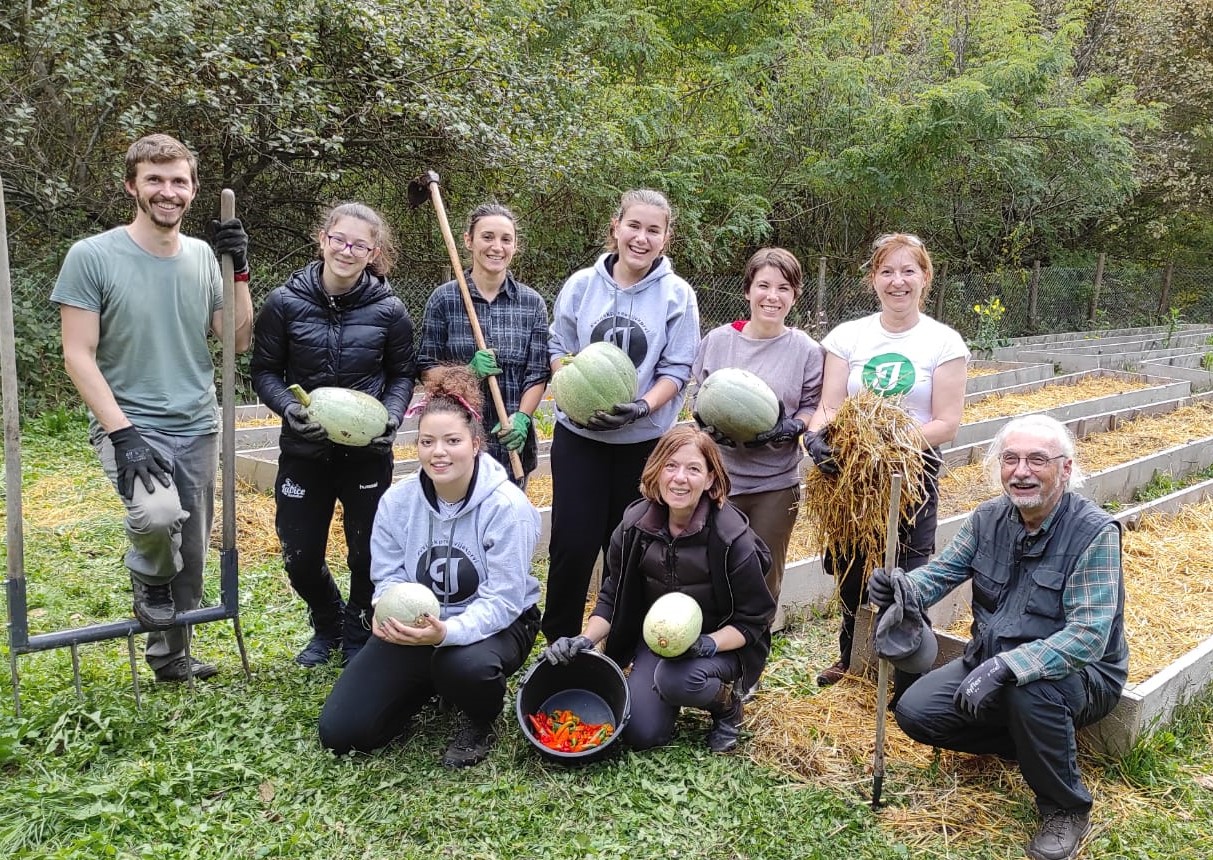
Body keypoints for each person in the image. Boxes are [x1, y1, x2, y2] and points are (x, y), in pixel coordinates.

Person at [868, 414, 1126, 860]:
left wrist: (1009, 667)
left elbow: (1087, 638)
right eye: (1011, 459)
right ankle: (1034, 745)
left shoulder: (1093, 533)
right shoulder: (987, 518)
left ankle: (1065, 806)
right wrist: (901, 587)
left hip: (1076, 676)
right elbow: (942, 573)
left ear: (1065, 469)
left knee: (1031, 695)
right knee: (915, 713)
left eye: (1037, 460)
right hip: (989, 657)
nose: (1021, 471)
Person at [51, 133, 253, 682]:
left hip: (197, 421)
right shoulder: (92, 256)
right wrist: (123, 433)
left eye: (179, 181)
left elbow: (233, 340)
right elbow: (78, 354)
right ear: (132, 186)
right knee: (156, 514)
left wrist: (238, 272)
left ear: (192, 189)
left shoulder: (202, 260)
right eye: (155, 180)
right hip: (131, 422)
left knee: (190, 550)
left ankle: (171, 655)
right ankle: (147, 578)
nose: (168, 192)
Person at [318, 367, 542, 768]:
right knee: (343, 733)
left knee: (465, 666)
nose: (439, 452)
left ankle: (479, 718)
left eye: (452, 440)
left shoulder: (508, 507)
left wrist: (448, 633)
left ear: (476, 444)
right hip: (417, 626)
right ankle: (428, 684)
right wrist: (394, 613)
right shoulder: (396, 502)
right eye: (427, 441)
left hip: (499, 625)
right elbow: (386, 576)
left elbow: (504, 598)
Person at [250, 202, 416, 667]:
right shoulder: (284, 303)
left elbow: (403, 374)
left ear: (373, 252)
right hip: (304, 450)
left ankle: (357, 628)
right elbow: (263, 371)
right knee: (298, 556)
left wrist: (392, 415)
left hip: (366, 453)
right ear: (322, 239)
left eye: (359, 244)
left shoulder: (390, 310)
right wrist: (287, 406)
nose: (348, 250)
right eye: (339, 239)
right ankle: (326, 620)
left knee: (366, 554)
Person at [543, 426, 775, 754]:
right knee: (641, 733)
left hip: (721, 645)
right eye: (671, 466)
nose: (680, 478)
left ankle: (727, 708)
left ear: (710, 479)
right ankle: (667, 692)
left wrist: (708, 643)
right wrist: (585, 639)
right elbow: (612, 595)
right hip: (661, 640)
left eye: (693, 469)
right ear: (657, 470)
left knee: (677, 680)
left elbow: (754, 620)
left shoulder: (732, 540)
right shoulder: (633, 526)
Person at [806, 232, 968, 688]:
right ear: (873, 279)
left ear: (925, 278)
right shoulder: (848, 336)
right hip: (851, 474)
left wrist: (886, 449)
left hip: (910, 471)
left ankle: (907, 671)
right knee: (850, 565)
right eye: (887, 272)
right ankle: (850, 655)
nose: (897, 281)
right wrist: (815, 438)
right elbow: (830, 406)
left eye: (907, 271)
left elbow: (946, 422)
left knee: (909, 567)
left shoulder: (943, 341)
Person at [541, 189, 701, 642]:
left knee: (630, 547)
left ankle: (622, 648)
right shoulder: (581, 285)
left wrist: (642, 405)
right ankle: (559, 643)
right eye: (634, 226)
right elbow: (559, 347)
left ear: (666, 238)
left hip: (643, 443)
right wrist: (571, 386)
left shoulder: (677, 295)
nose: (642, 237)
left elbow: (677, 368)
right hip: (580, 437)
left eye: (654, 230)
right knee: (571, 546)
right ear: (616, 226)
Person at [692, 247, 824, 611]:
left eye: (784, 288)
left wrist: (793, 426)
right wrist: (703, 423)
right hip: (718, 481)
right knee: (708, 572)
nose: (772, 296)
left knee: (762, 580)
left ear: (795, 296)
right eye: (763, 285)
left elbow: (814, 405)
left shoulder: (807, 350)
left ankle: (749, 661)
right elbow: (698, 396)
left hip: (775, 485)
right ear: (748, 290)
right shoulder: (718, 341)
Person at [417, 202, 550, 487]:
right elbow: (426, 368)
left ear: (515, 246)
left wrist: (523, 417)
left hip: (510, 443)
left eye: (506, 239)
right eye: (487, 237)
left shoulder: (532, 304)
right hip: (454, 442)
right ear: (468, 240)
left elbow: (537, 373)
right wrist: (467, 373)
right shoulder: (444, 300)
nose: (497, 247)